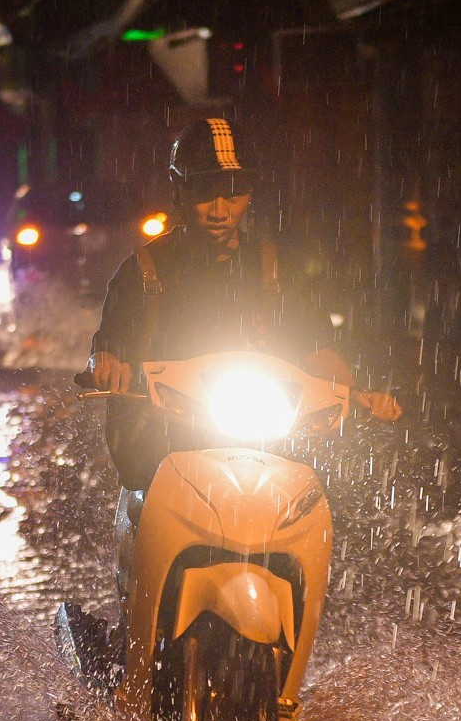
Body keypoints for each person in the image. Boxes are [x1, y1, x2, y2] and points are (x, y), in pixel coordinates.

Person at [70, 118, 398, 681]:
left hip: (257, 441)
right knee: (146, 537)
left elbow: (315, 341)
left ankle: (291, 672)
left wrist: (353, 389)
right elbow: (112, 342)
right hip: (163, 446)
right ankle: (129, 661)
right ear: (180, 194)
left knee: (305, 522)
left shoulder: (273, 267)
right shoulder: (144, 271)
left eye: (233, 192)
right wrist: (111, 363)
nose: (220, 209)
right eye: (203, 193)